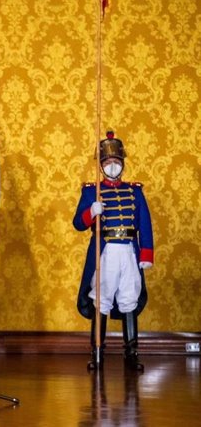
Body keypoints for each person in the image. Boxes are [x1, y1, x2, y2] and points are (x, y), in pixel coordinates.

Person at [73, 131, 153, 372]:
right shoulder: (91, 191)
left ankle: (131, 354)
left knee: (129, 297)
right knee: (102, 299)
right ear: (101, 166)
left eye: (116, 162)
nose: (112, 167)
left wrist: (146, 254)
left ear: (123, 164)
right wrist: (91, 212)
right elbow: (78, 223)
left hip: (128, 251)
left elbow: (144, 223)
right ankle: (97, 353)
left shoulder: (135, 190)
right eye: (107, 163)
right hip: (104, 251)